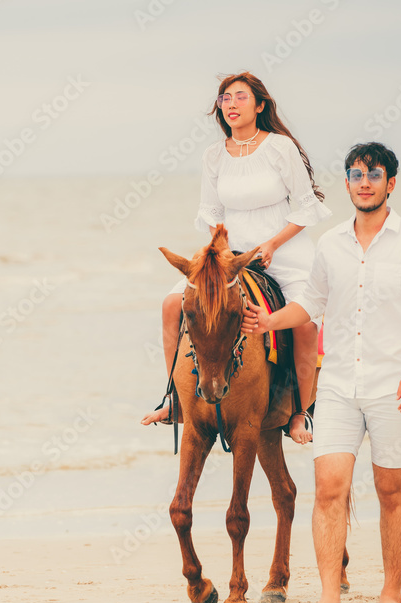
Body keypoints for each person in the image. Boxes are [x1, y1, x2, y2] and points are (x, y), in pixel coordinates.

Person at [242, 142, 401, 603]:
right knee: (329, 487)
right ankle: (330, 601)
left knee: (391, 490)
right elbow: (310, 303)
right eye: (356, 174)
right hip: (336, 384)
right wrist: (267, 321)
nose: (364, 181)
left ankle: (391, 597)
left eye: (374, 174)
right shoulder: (330, 243)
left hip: (394, 384)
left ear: (390, 183)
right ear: (348, 182)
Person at [141, 71, 331, 444]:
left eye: (240, 97)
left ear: (260, 105)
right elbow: (211, 213)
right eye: (225, 98)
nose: (231, 104)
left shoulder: (280, 148)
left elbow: (307, 208)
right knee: (170, 305)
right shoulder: (213, 155)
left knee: (304, 325)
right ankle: (177, 399)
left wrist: (273, 245)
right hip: (230, 257)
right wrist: (221, 251)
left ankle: (301, 412)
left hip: (285, 252)